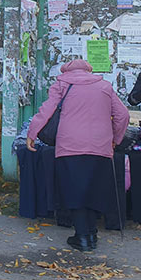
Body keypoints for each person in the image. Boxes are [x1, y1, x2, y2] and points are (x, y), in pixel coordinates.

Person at [27, 59, 129, 252]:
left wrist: (32, 133)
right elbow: (122, 115)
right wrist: (115, 138)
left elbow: (46, 111)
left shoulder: (61, 85)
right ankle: (91, 234)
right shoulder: (104, 86)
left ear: (66, 71)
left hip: (70, 145)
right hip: (100, 146)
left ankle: (82, 236)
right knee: (93, 190)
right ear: (89, 70)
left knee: (75, 190)